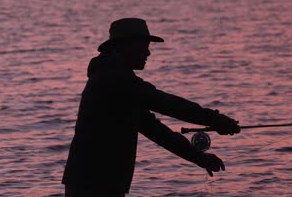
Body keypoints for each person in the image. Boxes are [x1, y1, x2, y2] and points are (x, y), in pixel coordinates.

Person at [62, 18, 241, 197]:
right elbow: (167, 104)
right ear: (126, 46)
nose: (148, 53)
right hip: (94, 184)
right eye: (143, 46)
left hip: (97, 182)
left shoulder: (113, 78)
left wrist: (199, 158)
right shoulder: (115, 79)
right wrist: (216, 120)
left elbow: (154, 129)